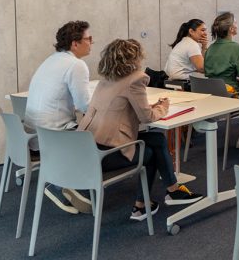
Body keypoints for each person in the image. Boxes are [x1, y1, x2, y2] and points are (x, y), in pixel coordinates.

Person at [78, 39, 203, 221]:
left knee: (158, 140)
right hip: (107, 153)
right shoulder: (135, 79)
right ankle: (141, 205)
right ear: (134, 58)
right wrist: (163, 107)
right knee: (150, 151)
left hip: (88, 146)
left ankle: (172, 191)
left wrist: (146, 107)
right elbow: (147, 118)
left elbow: (121, 108)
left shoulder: (105, 79)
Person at [24, 20, 95, 214]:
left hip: (33, 134)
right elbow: (84, 106)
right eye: (89, 39)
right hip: (53, 137)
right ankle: (62, 184)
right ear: (75, 43)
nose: (92, 42)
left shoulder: (51, 59)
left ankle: (62, 182)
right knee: (98, 137)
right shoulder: (76, 65)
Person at [204, 12, 239, 92]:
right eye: (236, 23)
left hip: (212, 93)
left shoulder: (210, 48)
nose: (238, 26)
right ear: (231, 29)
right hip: (232, 94)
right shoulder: (238, 49)